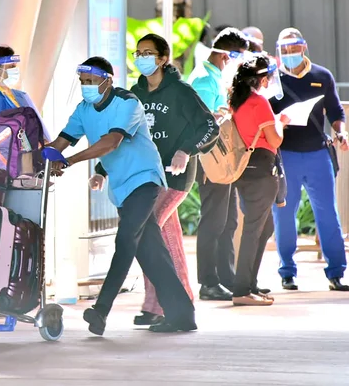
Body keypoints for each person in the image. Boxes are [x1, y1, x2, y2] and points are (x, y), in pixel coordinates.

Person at [50, 56, 196, 335]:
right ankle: (183, 316)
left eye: (90, 81)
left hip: (145, 179)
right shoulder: (83, 110)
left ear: (107, 80)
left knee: (126, 240)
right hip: (122, 189)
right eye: (82, 82)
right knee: (152, 254)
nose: (85, 87)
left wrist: (69, 161)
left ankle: (101, 310)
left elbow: (111, 142)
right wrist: (41, 155)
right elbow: (59, 143)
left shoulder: (127, 102)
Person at [123, 33, 219, 325]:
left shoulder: (180, 91)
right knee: (166, 237)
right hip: (145, 178)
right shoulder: (134, 93)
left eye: (148, 53)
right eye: (138, 53)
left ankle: (169, 304)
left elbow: (209, 127)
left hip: (174, 178)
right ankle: (161, 304)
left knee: (146, 230)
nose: (142, 58)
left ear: (163, 58)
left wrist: (185, 150)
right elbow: (124, 134)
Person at [269, 28, 349, 292]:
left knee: (328, 214)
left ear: (304, 47)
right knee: (283, 214)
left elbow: (336, 111)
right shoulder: (273, 79)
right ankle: (287, 272)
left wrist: (340, 131)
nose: (290, 54)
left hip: (317, 154)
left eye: (294, 49)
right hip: (285, 156)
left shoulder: (321, 75)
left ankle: (336, 272)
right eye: (285, 50)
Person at [188, 27, 249, 301]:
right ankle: (208, 282)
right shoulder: (203, 79)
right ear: (228, 55)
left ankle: (227, 277)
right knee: (214, 221)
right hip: (210, 160)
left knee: (229, 221)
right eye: (237, 57)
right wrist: (219, 115)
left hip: (223, 159)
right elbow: (198, 120)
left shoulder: (215, 77)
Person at [230, 54, 288, 306]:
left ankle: (249, 285)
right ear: (262, 79)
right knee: (254, 230)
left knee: (263, 228)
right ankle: (241, 290)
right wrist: (281, 123)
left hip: (244, 169)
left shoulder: (237, 100)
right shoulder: (259, 102)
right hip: (262, 170)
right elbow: (275, 141)